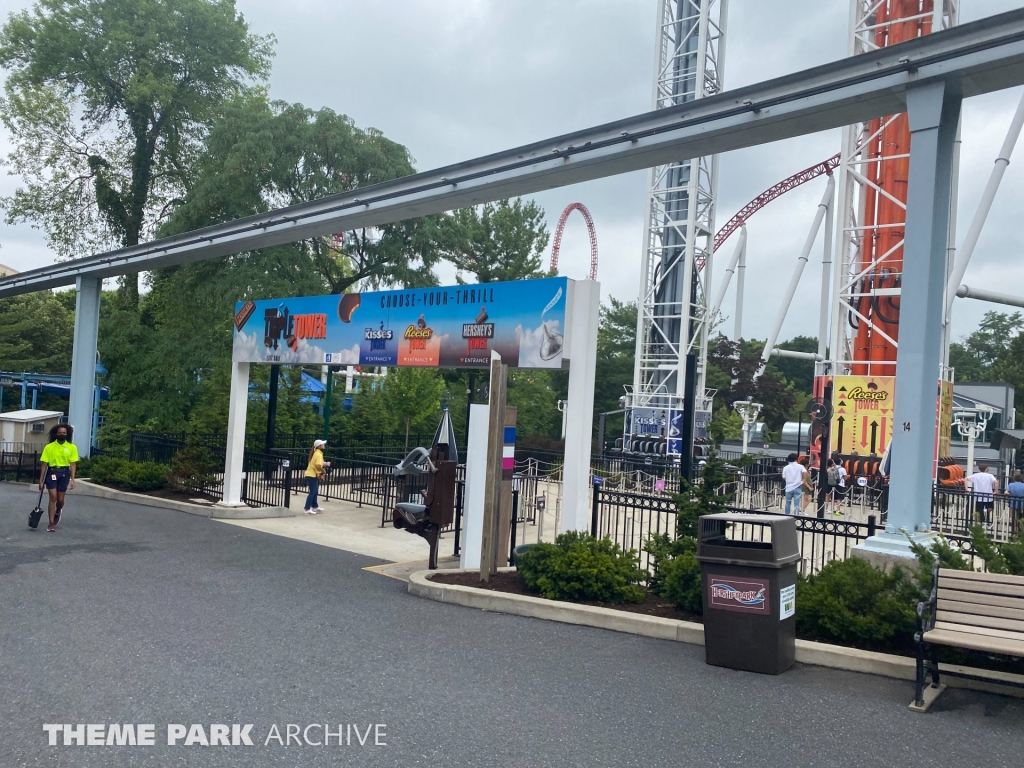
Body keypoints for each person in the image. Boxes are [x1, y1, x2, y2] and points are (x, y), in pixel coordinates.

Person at [38, 423, 79, 533]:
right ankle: (51, 523)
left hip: (64, 473)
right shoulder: (49, 447)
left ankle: (58, 511)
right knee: (53, 497)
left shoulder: (71, 447)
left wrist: (73, 479)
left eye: (64, 433)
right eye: (60, 433)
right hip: (52, 472)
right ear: (56, 434)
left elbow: (73, 464)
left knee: (60, 500)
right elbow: (44, 464)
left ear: (67, 434)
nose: (62, 434)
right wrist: (41, 481)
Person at [303, 439, 330, 514]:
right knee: (313, 491)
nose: (324, 445)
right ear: (319, 446)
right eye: (323, 444)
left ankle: (314, 506)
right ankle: (307, 508)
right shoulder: (318, 454)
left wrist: (325, 464)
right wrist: (323, 471)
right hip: (311, 475)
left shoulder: (317, 453)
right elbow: (318, 466)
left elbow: (319, 463)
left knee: (315, 491)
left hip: (310, 474)